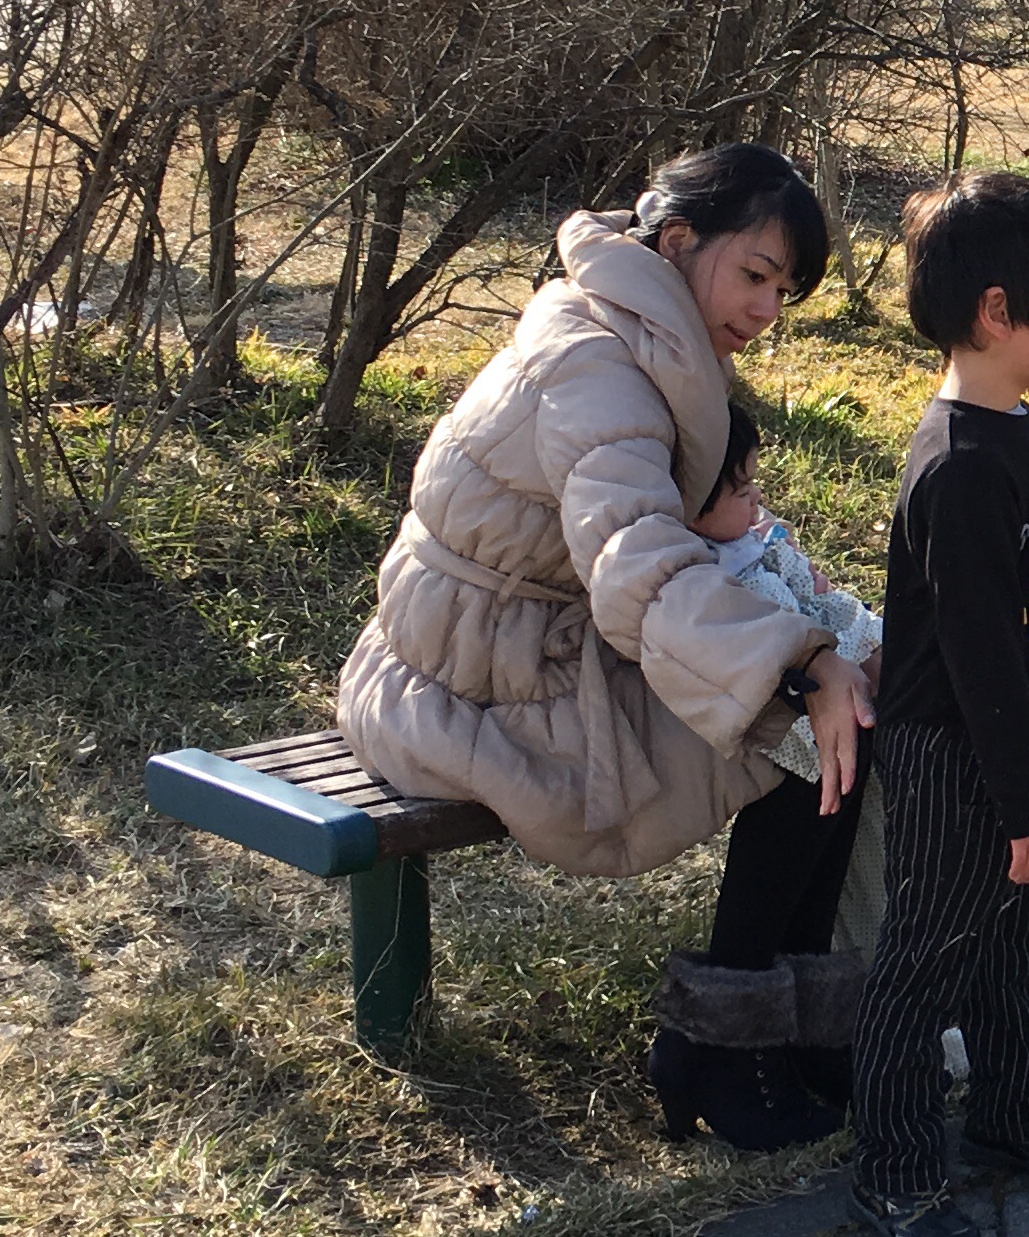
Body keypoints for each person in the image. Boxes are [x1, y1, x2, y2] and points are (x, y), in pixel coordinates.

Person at [337, 143, 876, 1154]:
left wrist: (810, 641)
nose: (767, 309)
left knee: (841, 717)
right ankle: (717, 1046)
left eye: (785, 291)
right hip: (479, 675)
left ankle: (795, 1031)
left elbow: (654, 551)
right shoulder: (598, 365)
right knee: (804, 732)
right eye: (756, 275)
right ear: (678, 241)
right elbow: (639, 567)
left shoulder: (635, 325)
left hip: (548, 632)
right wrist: (801, 661)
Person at [841, 171, 1029, 1237]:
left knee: (1015, 942)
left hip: (1014, 748)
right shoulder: (957, 468)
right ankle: (896, 1169)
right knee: (929, 959)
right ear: (999, 313)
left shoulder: (1016, 427)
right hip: (960, 757)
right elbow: (977, 659)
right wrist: (1023, 802)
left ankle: (1013, 1114)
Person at [686, 401, 882, 786]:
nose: (757, 496)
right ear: (693, 509)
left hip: (830, 643)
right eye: (742, 492)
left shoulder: (741, 540)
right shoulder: (715, 578)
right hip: (801, 705)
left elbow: (810, 590)